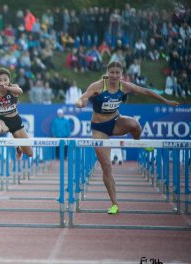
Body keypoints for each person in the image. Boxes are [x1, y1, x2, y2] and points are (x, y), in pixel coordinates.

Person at [75, 61, 180, 215]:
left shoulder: (125, 86)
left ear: (121, 74)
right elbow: (83, 97)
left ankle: (139, 143)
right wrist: (80, 103)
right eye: (112, 73)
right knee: (106, 166)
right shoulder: (97, 86)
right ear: (108, 73)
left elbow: (147, 92)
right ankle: (114, 204)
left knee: (135, 125)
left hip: (116, 122)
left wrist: (166, 101)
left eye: (117, 73)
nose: (114, 76)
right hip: (99, 129)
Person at [0, 67, 33, 159]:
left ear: (9, 80)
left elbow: (20, 91)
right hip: (2, 119)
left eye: (5, 80)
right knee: (0, 129)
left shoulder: (13, 88)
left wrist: (6, 87)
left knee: (29, 154)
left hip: (16, 120)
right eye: (0, 80)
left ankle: (19, 148)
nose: (3, 82)